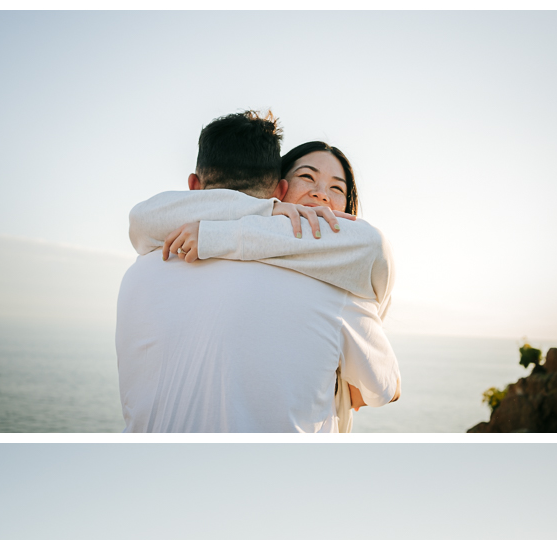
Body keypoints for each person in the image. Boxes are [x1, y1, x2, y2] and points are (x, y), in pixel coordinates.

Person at [116, 110, 400, 433]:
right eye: (306, 177)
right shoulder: (334, 296)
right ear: (280, 190)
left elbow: (371, 246)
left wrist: (222, 232)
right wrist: (261, 217)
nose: (321, 195)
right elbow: (386, 387)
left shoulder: (137, 275)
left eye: (338, 189)